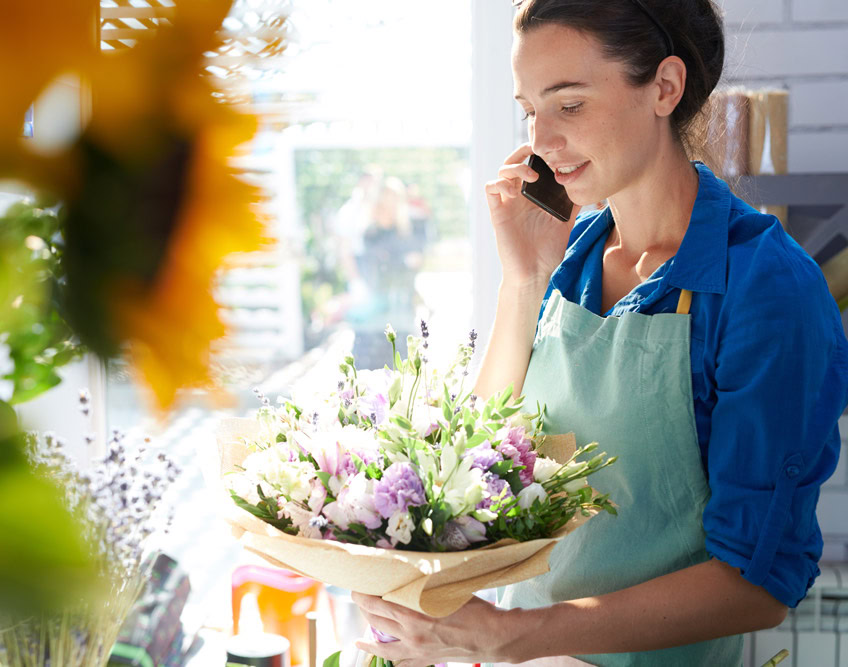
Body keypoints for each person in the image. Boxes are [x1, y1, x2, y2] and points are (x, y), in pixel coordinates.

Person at [351, 0, 848, 665]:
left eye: (570, 105)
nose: (541, 141)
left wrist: (512, 637)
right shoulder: (573, 258)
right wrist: (522, 282)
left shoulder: (765, 288)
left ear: (664, 89)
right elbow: (482, 457)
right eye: (530, 110)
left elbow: (757, 582)